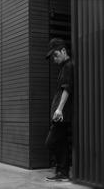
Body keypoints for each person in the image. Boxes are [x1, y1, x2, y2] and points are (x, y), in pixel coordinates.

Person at [45, 38, 73, 181]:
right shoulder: (64, 67)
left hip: (61, 115)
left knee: (51, 142)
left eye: (55, 55)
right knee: (60, 142)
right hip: (60, 114)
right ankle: (62, 173)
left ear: (63, 51)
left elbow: (67, 89)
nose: (54, 59)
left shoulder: (68, 66)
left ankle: (63, 171)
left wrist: (59, 109)